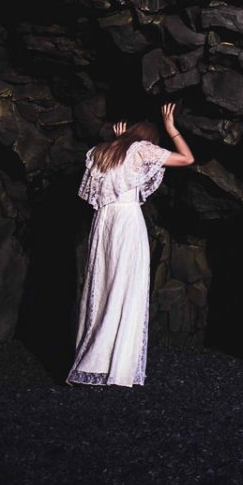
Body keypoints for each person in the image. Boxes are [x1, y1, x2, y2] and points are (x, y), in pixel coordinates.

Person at [66, 101, 195, 386]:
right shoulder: (142, 150)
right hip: (125, 221)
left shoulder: (99, 152)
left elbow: (113, 175)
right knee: (126, 288)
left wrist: (117, 141)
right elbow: (186, 159)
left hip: (103, 223)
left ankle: (94, 359)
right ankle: (115, 367)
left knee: (102, 288)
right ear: (149, 139)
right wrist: (171, 128)